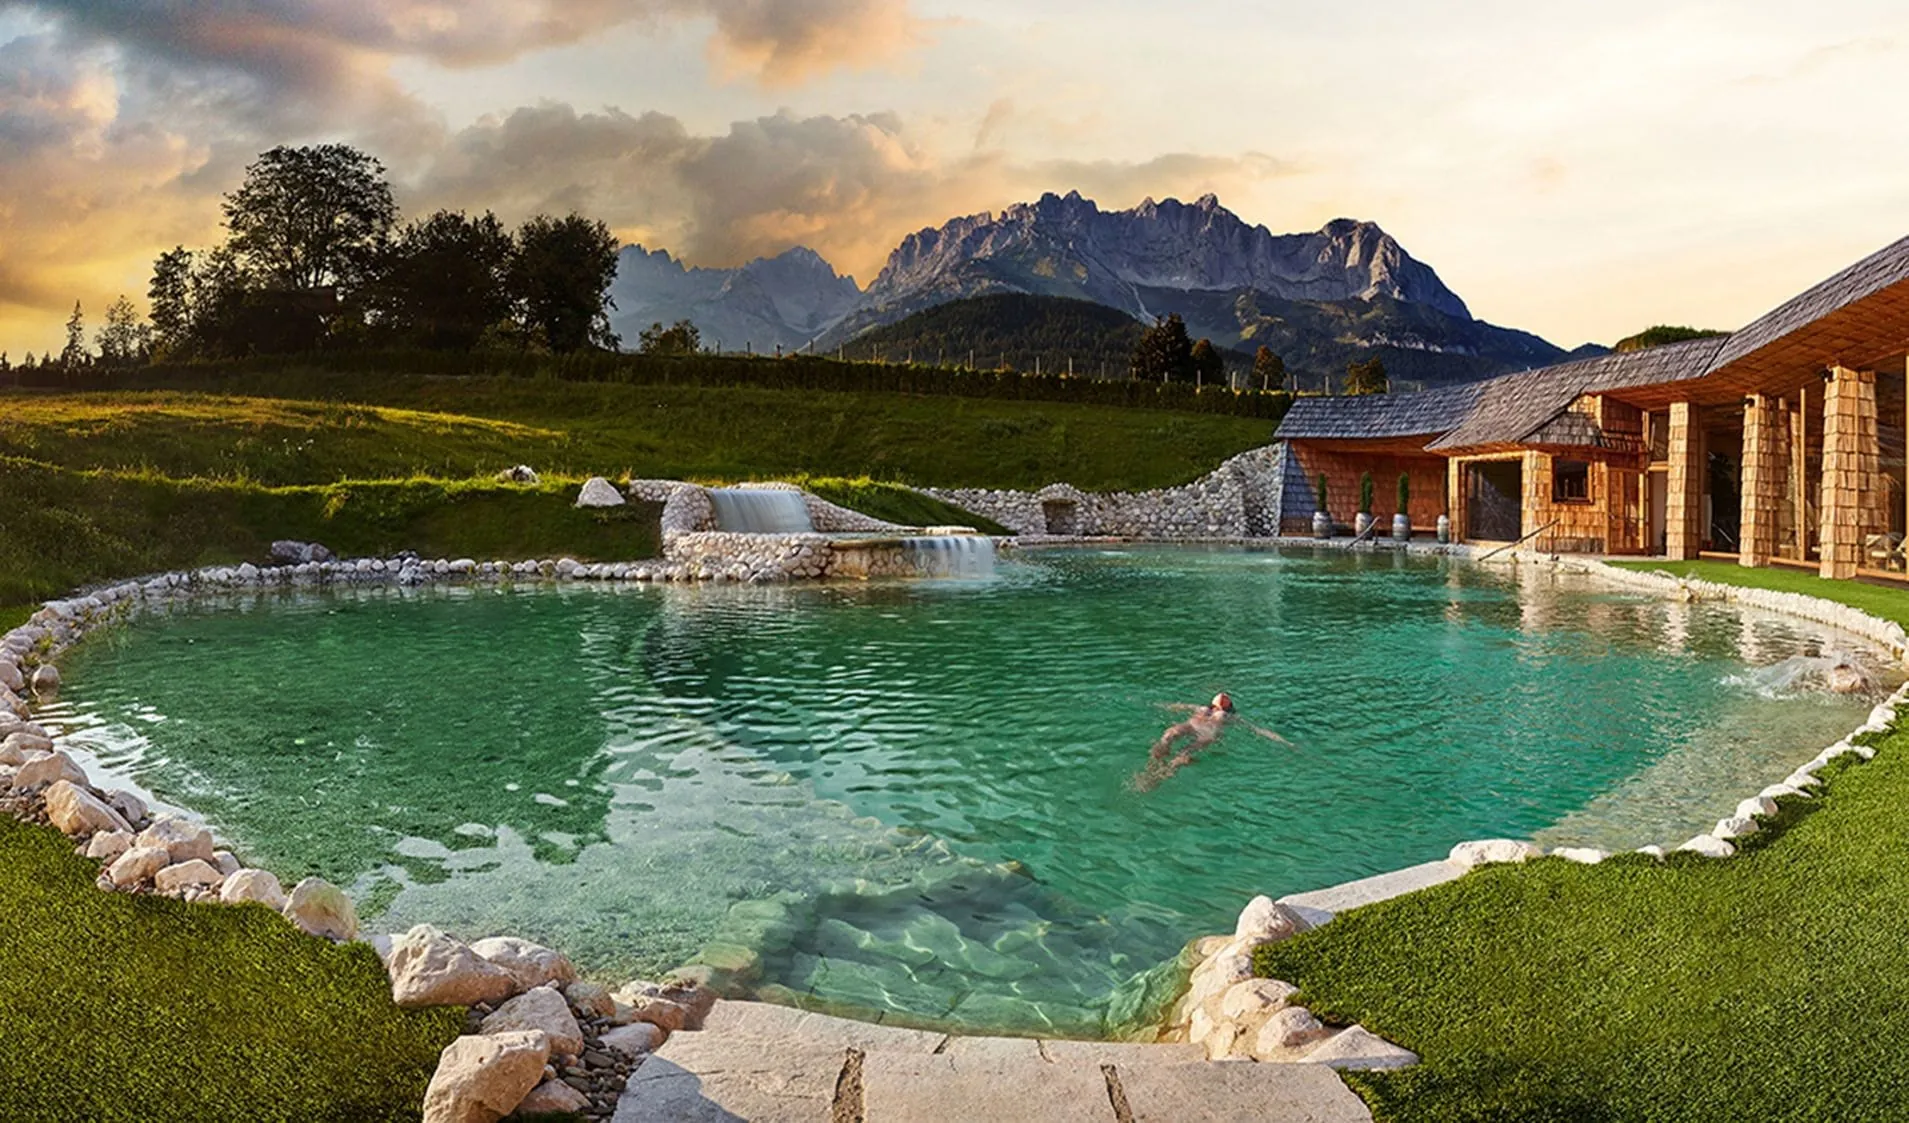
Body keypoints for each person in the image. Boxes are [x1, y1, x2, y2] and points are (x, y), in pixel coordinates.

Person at [1134, 693, 1289, 790]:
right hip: (1195, 728)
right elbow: (1179, 707)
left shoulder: (1225, 715)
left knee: (1179, 750)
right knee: (1170, 738)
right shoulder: (1206, 710)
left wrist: (1284, 742)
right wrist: (1155, 704)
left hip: (1203, 733)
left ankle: (1156, 776)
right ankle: (1153, 769)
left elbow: (1257, 729)